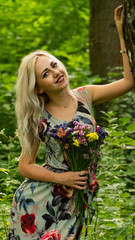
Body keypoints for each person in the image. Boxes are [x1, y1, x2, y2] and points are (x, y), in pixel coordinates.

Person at [8, 6, 134, 240]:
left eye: (54, 65)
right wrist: (62, 178)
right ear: (38, 87)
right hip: (39, 201)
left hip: (78, 197)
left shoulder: (86, 95)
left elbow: (129, 81)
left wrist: (121, 31)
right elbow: (25, 166)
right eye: (45, 74)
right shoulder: (39, 116)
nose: (55, 72)